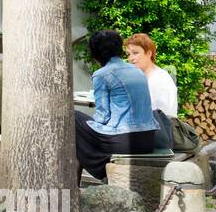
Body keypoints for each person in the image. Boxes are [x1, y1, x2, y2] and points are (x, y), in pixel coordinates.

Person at [74, 29, 159, 182]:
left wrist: (90, 128)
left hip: (124, 141)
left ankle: (100, 169)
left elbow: (103, 116)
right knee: (84, 125)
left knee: (73, 118)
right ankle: (101, 165)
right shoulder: (137, 71)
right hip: (148, 139)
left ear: (95, 53)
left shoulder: (102, 74)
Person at [124, 33, 178, 117]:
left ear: (148, 53)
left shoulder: (160, 79)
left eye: (135, 53)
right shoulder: (139, 79)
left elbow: (167, 117)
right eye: (128, 54)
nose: (131, 58)